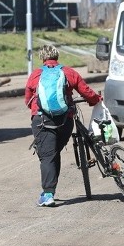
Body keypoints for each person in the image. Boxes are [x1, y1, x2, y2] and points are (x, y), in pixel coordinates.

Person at [25, 44, 102, 207]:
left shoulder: (36, 75)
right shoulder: (68, 72)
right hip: (65, 121)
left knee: (48, 156)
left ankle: (47, 195)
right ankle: (50, 190)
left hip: (42, 121)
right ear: (57, 57)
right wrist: (95, 100)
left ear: (42, 58)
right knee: (53, 153)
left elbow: (27, 101)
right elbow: (86, 91)